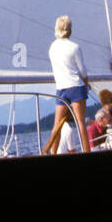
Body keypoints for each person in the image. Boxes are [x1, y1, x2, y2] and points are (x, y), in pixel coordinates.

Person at [43, 15, 91, 154]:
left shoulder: (52, 47)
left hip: (61, 88)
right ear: (69, 30)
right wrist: (86, 85)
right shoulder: (75, 47)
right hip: (76, 87)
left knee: (56, 124)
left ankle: (53, 153)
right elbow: (82, 71)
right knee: (80, 122)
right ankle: (87, 153)